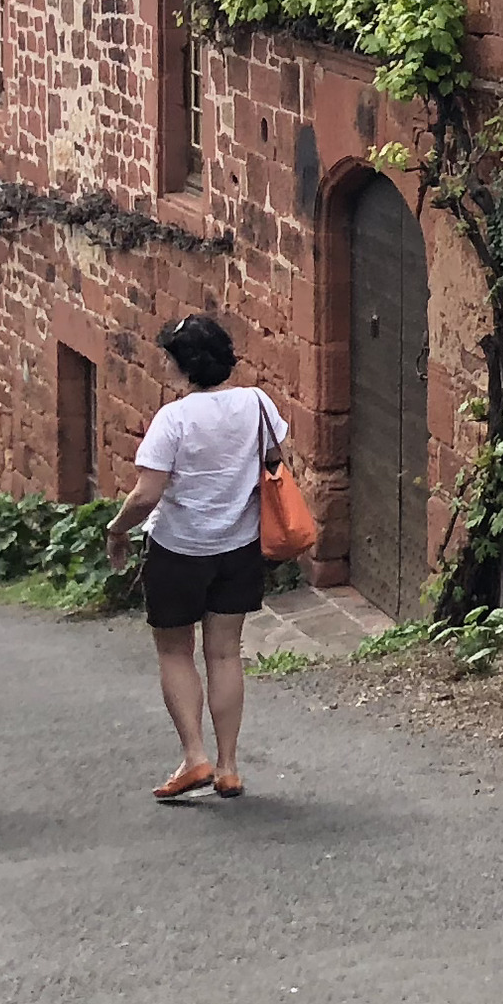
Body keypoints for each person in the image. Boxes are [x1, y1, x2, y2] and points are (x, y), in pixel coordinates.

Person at [103, 312, 288, 802]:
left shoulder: (174, 419)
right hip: (239, 546)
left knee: (175, 651)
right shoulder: (257, 403)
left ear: (181, 366)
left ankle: (195, 756)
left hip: (178, 551)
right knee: (226, 653)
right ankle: (228, 766)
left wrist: (117, 529)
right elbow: (273, 462)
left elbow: (146, 496)